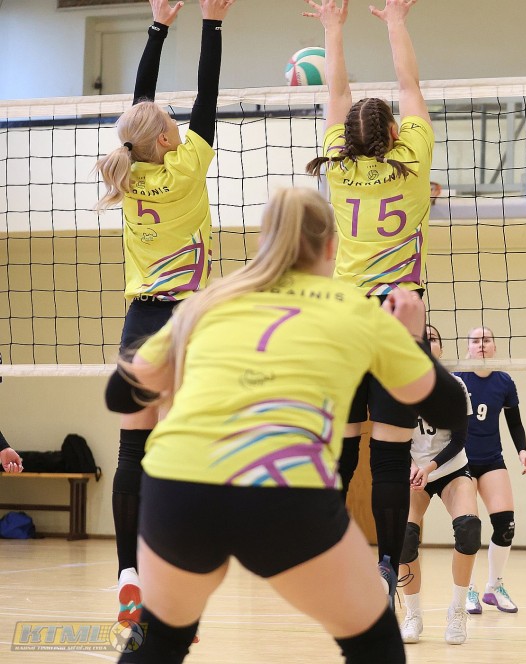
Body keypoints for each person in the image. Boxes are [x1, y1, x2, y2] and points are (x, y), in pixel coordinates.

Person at [104, 187, 468, 663]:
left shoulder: (207, 302)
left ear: (264, 241)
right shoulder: (355, 307)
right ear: (332, 247)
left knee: (160, 642)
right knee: (375, 646)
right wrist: (414, 339)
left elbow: (119, 396)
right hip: (281, 491)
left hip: (178, 488)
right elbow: (448, 412)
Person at [94, 0, 234, 625]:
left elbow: (140, 107)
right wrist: (212, 22)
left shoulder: (127, 177)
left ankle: (127, 571)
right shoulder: (188, 166)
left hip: (140, 323)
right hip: (187, 322)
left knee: (133, 448)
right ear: (166, 140)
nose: (179, 121)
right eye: (173, 123)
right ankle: (176, 565)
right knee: (187, 446)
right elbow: (208, 92)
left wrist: (158, 28)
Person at [303, 0, 434, 597]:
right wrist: (397, 22)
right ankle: (384, 568)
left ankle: (325, 558)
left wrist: (333, 28)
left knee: (343, 448)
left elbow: (337, 92)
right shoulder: (412, 161)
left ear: (350, 137)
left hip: (345, 320)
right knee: (390, 456)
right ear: (393, 134)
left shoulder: (337, 166)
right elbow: (409, 86)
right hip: (398, 320)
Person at [399, 324, 478, 645]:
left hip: (450, 469)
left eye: (433, 338)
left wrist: (429, 466)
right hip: (413, 472)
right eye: (422, 338)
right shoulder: (398, 386)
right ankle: (413, 614)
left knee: (469, 530)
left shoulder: (455, 386)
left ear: (441, 349)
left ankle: (457, 611)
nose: (427, 342)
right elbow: (393, 438)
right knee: (404, 537)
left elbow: (459, 439)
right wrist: (411, 467)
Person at [455, 326, 526, 614]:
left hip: (491, 460)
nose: (481, 344)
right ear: (468, 347)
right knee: (468, 529)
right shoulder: (457, 379)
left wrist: (522, 451)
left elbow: (515, 422)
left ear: (495, 346)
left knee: (506, 526)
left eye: (486, 339)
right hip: (461, 462)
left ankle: (494, 587)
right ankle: (468, 589)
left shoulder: (504, 381)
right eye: (475, 340)